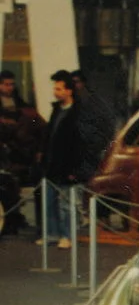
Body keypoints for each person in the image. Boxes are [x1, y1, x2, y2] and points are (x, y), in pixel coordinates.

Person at [38, 71, 89, 248]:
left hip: (69, 167)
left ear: (69, 91)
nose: (55, 92)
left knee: (67, 205)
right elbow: (50, 135)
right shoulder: (57, 110)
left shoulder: (79, 113)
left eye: (59, 89)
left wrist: (76, 168)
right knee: (49, 202)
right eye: (55, 88)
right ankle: (52, 233)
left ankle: (67, 235)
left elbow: (82, 143)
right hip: (52, 164)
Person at [70, 69, 117, 178]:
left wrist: (95, 145)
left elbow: (107, 125)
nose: (74, 86)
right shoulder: (74, 103)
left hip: (90, 153)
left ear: (83, 83)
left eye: (76, 82)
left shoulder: (93, 102)